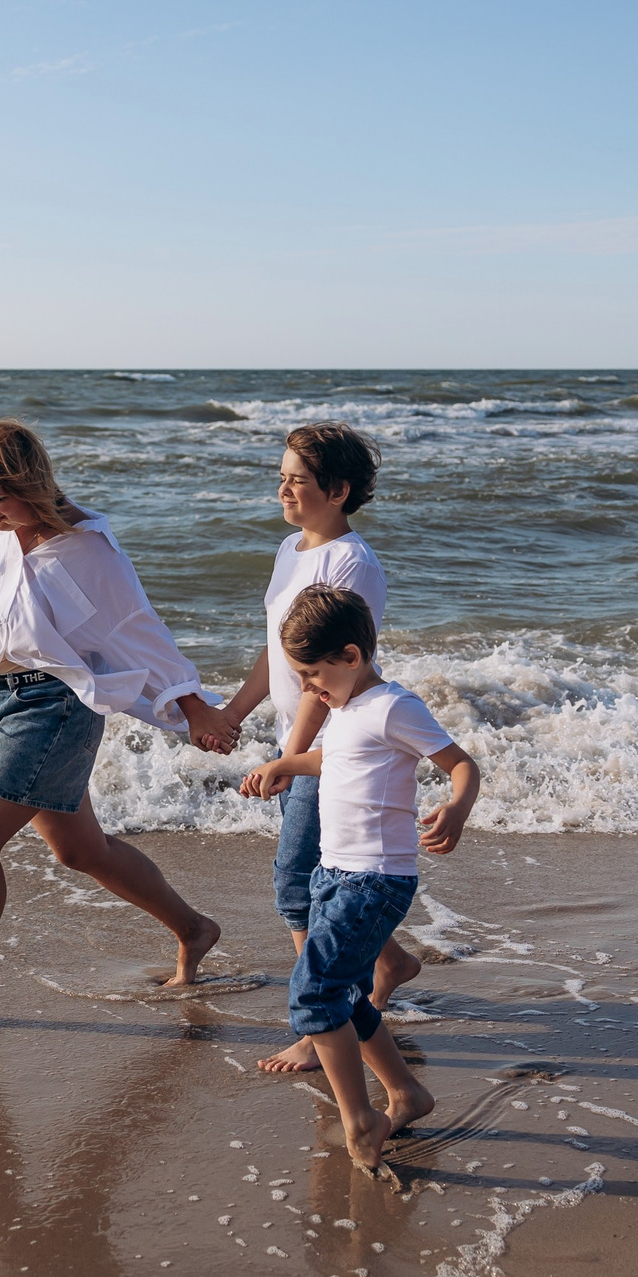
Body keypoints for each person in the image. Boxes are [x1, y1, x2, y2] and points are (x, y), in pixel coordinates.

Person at [0, 420, 235, 1038]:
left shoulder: (86, 548)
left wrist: (192, 703)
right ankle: (194, 928)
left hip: (54, 710)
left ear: (31, 485)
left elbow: (136, 628)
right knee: (79, 851)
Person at [238, 585, 480, 1170]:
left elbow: (461, 763)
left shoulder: (395, 706)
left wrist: (456, 807)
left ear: (351, 655)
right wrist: (283, 764)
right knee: (341, 993)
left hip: (374, 881)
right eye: (299, 677)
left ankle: (361, 1118)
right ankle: (405, 1094)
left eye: (312, 673)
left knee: (314, 993)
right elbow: (334, 758)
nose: (306, 689)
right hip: (334, 874)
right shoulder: (345, 708)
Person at [209, 422, 419, 1073]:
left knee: (297, 887)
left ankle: (319, 1017)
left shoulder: (352, 564)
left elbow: (328, 674)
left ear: (338, 489)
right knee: (324, 881)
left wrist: (289, 758)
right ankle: (389, 961)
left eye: (296, 480)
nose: (283, 489)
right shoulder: (290, 550)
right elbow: (282, 650)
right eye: (281, 476)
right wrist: (235, 713)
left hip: (332, 746)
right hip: (294, 739)